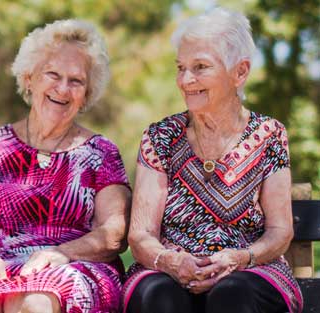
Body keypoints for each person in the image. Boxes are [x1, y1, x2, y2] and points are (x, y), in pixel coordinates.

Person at [0, 19, 131, 313]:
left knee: (35, 301)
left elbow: (114, 234)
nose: (63, 89)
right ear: (29, 78)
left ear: (87, 93)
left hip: (71, 266)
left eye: (76, 81)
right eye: (52, 74)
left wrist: (61, 253)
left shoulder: (101, 153)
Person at [123, 7, 303, 313]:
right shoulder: (160, 137)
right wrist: (171, 261)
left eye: (200, 67)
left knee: (232, 295)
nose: (185, 79)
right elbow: (141, 235)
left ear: (240, 72)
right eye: (180, 67)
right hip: (170, 268)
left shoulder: (269, 134)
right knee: (160, 297)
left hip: (250, 267)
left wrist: (240, 258)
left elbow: (280, 232)